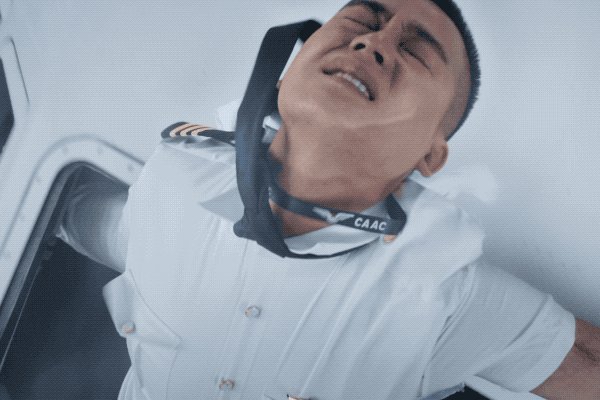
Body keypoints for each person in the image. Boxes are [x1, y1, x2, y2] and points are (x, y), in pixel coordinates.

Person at [56, 0, 600, 399]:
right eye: (362, 22)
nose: (374, 43)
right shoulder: (171, 184)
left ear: (430, 156)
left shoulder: (440, 295)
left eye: (416, 51)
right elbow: (69, 214)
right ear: (291, 67)